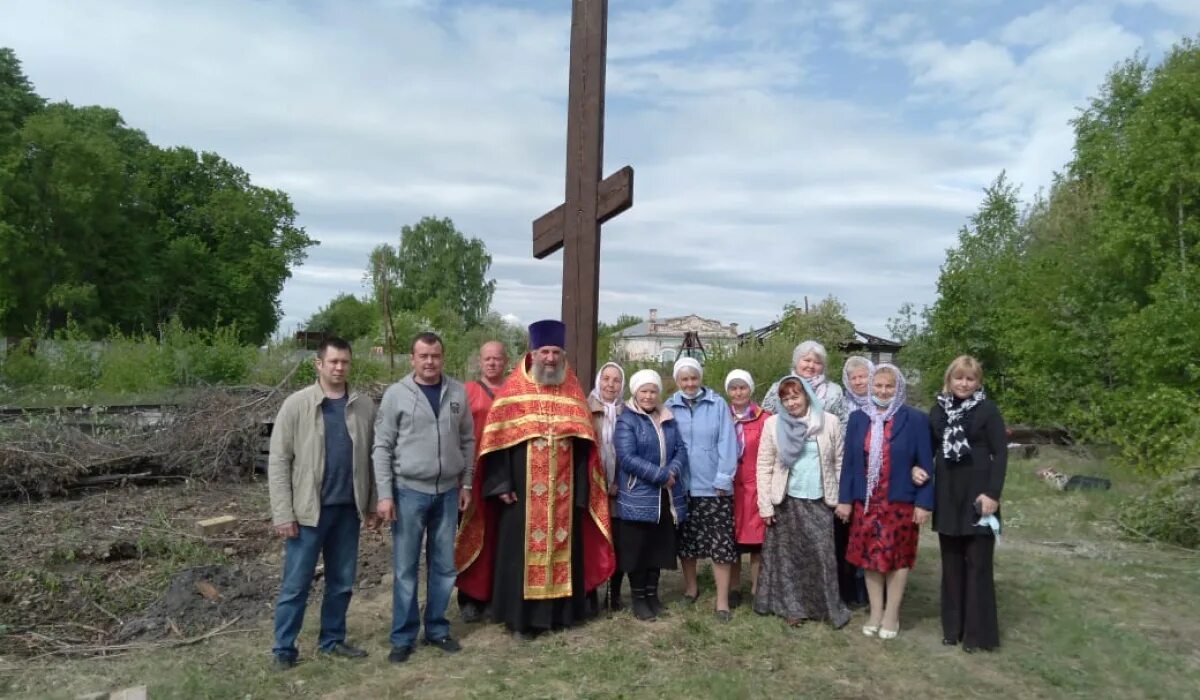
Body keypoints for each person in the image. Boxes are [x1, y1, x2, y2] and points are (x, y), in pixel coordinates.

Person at [454, 320, 616, 639]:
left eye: (556, 352)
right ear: (533, 353)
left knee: (563, 553)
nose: (551, 358)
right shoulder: (514, 391)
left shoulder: (573, 390)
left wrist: (583, 493)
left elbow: (586, 447)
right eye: (545, 351)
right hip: (521, 497)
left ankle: (560, 615)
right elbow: (495, 444)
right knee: (519, 557)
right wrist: (500, 485)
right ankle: (522, 620)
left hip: (565, 496)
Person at [268, 337, 378, 669]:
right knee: (295, 585)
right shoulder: (297, 405)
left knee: (342, 582)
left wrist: (371, 504)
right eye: (333, 362)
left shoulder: (363, 406)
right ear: (319, 364)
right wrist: (283, 512)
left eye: (345, 362)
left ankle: (332, 640)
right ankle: (284, 650)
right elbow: (278, 461)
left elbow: (373, 458)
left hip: (347, 510)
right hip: (307, 514)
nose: (339, 367)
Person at [373, 332, 475, 664]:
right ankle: (403, 637)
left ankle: (436, 629)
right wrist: (385, 494)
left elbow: (468, 441)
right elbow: (382, 447)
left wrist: (467, 484)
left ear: (442, 357)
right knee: (405, 568)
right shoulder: (396, 396)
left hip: (447, 492)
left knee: (444, 567)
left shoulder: (456, 392)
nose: (430, 361)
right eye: (423, 356)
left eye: (435, 355)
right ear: (412, 359)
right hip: (408, 493)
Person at [916, 355, 1007, 652]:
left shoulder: (987, 411)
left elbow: (1001, 455)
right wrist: (917, 468)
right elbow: (926, 451)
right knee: (951, 565)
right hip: (948, 495)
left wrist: (993, 494)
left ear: (978, 382)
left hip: (979, 497)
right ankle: (951, 629)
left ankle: (976, 634)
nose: (964, 383)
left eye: (970, 379)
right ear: (949, 379)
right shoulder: (938, 412)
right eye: (959, 378)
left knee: (978, 565)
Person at [836, 363, 933, 640]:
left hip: (899, 501)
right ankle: (875, 612)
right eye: (878, 386)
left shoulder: (914, 419)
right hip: (866, 503)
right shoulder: (858, 419)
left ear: (898, 388)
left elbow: (926, 464)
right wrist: (844, 500)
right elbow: (850, 463)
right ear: (870, 387)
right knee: (869, 558)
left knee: (897, 558)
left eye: (889, 386)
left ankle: (892, 614)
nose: (883, 390)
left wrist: (923, 503)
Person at [753, 376, 849, 628]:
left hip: (820, 499)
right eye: (785, 399)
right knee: (788, 559)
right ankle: (792, 608)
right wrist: (765, 505)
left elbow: (840, 463)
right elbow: (763, 466)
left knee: (821, 555)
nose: (791, 402)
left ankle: (823, 607)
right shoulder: (773, 424)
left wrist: (842, 500)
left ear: (806, 395)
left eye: (795, 396)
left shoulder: (829, 422)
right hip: (786, 500)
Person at [665, 357, 738, 620]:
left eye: (694, 378)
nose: (690, 383)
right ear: (677, 381)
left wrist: (723, 477)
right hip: (683, 487)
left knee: (721, 545)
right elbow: (667, 443)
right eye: (684, 379)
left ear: (701, 378)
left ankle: (722, 601)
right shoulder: (669, 407)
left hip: (713, 487)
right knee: (687, 544)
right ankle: (691, 589)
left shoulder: (717, 404)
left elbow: (727, 441)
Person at [613, 369, 688, 621]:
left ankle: (652, 595)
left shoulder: (667, 418)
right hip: (639, 495)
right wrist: (660, 475)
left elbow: (680, 449)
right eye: (644, 391)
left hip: (664, 497)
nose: (648, 396)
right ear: (635, 392)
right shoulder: (627, 420)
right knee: (639, 551)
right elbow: (626, 458)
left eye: (653, 391)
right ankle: (638, 599)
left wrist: (672, 472)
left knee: (657, 548)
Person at [458, 340, 509, 623]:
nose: (491, 363)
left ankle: (494, 596)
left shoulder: (515, 392)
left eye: (497, 359)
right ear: (480, 361)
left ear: (505, 361)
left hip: (503, 475)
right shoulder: (466, 392)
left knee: (498, 537)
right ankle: (469, 598)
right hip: (472, 472)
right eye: (487, 359)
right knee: (469, 534)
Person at [724, 369, 769, 600]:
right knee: (731, 540)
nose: (738, 392)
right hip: (729, 488)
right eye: (733, 388)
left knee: (757, 542)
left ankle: (757, 588)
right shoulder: (722, 416)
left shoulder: (765, 418)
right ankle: (733, 588)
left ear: (750, 389)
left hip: (756, 487)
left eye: (742, 387)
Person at [837, 355, 875, 608]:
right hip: (847, 476)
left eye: (864, 376)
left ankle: (869, 590)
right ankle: (849, 588)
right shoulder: (843, 405)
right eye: (854, 378)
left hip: (878, 482)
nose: (859, 381)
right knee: (848, 537)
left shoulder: (886, 404)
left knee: (873, 537)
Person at [589, 361, 627, 611]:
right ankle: (589, 593)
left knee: (620, 541)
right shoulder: (585, 408)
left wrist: (617, 481)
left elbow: (630, 452)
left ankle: (614, 593)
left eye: (616, 380)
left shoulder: (629, 412)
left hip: (620, 488)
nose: (610, 385)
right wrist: (598, 480)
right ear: (598, 381)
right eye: (606, 379)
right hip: (593, 487)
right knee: (591, 539)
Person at [762, 340, 847, 424]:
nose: (811, 366)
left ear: (823, 367)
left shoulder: (834, 391)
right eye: (807, 360)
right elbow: (765, 419)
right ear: (796, 361)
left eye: (817, 363)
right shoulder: (778, 387)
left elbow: (843, 422)